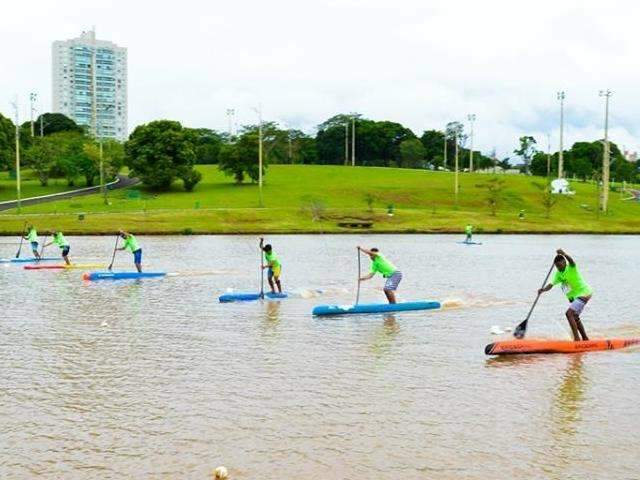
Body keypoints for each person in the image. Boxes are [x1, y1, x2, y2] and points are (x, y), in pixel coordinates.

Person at [538, 249, 592, 341]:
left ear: (564, 262)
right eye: (556, 266)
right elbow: (551, 284)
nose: (558, 268)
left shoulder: (571, 268)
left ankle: (576, 339)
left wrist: (564, 254)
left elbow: (571, 261)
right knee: (575, 317)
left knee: (569, 314)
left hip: (584, 292)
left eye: (559, 265)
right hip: (576, 297)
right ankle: (585, 339)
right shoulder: (558, 274)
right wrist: (543, 290)